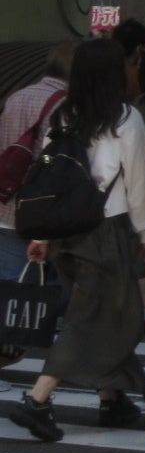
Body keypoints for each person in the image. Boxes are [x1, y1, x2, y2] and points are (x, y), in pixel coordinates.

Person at [5, 39, 145, 445]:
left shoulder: (64, 114)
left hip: (65, 235)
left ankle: (113, 398)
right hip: (106, 233)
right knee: (108, 317)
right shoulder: (125, 119)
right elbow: (137, 187)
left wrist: (42, 234)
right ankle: (37, 398)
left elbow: (50, 177)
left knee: (103, 313)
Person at [0, 42, 75, 283]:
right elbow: (56, 169)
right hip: (36, 217)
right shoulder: (65, 107)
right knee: (31, 298)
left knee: (8, 291)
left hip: (3, 205)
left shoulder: (15, 97)